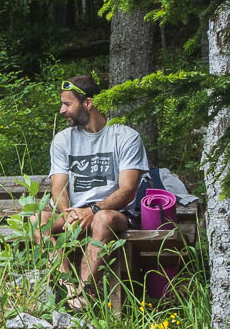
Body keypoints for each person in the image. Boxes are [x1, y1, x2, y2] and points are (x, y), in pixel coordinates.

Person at [36, 74, 148, 305]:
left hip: (115, 213)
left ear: (88, 103)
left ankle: (84, 294)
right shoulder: (63, 140)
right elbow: (59, 186)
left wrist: (94, 210)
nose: (62, 110)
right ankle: (69, 289)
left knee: (103, 219)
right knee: (38, 219)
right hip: (76, 213)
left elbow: (127, 190)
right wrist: (67, 212)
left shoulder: (125, 137)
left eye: (67, 104)